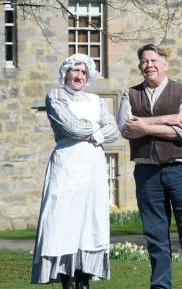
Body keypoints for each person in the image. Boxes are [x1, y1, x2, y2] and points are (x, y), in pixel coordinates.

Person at [117, 44, 182, 289]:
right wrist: (165, 120)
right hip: (147, 172)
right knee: (155, 236)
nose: (149, 65)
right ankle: (160, 286)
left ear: (165, 65)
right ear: (139, 67)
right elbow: (125, 129)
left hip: (181, 170)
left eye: (154, 60)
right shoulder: (129, 94)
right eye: (144, 61)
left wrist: (143, 126)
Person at [32, 54, 119, 289]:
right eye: (75, 70)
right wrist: (95, 129)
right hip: (67, 166)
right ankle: (66, 281)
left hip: (93, 167)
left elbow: (114, 129)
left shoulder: (96, 100)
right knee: (63, 221)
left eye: (83, 72)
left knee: (88, 222)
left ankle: (84, 280)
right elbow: (70, 126)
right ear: (66, 73)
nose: (79, 75)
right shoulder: (55, 96)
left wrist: (97, 134)